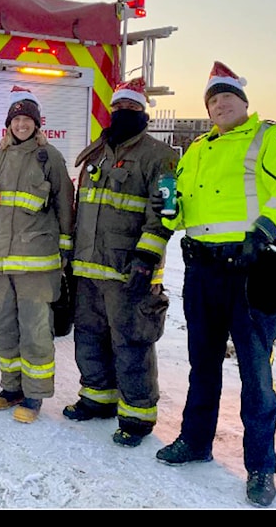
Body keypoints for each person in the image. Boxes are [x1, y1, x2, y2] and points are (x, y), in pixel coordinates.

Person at [154, 61, 276, 508]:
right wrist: (170, 211)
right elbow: (186, 214)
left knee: (256, 372)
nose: (220, 104)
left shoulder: (270, 137)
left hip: (253, 269)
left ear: (243, 102)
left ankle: (261, 467)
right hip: (203, 271)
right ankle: (195, 441)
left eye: (227, 96)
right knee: (202, 364)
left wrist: (265, 229)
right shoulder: (196, 151)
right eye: (213, 99)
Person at [63, 77, 180, 447]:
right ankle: (97, 398)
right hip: (88, 268)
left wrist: (147, 258)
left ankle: (137, 416)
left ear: (143, 112)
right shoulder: (97, 152)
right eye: (118, 109)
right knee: (90, 336)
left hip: (130, 272)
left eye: (131, 109)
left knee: (132, 341)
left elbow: (166, 211)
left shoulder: (160, 156)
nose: (123, 114)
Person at [0, 87, 74, 423]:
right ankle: (10, 387)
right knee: (4, 328)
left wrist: (66, 253)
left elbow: (64, 207)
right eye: (17, 119)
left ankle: (34, 395)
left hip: (36, 265)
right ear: (9, 124)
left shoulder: (50, 158)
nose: (22, 125)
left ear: (37, 124)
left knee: (35, 331)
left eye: (28, 119)